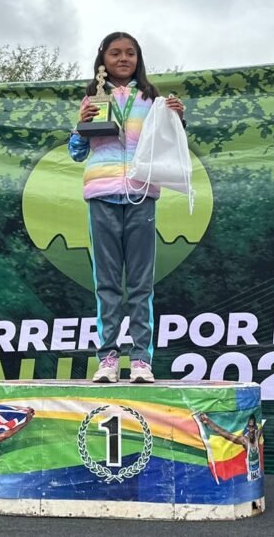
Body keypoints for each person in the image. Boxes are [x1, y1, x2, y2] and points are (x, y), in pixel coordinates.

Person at [68, 32, 184, 383]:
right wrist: (81, 124)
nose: (123, 59)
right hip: (102, 193)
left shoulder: (152, 99)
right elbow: (77, 152)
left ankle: (140, 360)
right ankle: (107, 358)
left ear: (139, 59)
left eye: (130, 53)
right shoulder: (92, 98)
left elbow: (167, 145)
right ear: (103, 58)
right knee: (106, 282)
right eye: (116, 53)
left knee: (140, 283)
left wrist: (177, 118)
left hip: (141, 194)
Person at [195, 412, 262, 482]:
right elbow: (225, 434)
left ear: (256, 428)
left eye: (253, 427)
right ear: (247, 428)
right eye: (249, 427)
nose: (251, 430)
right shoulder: (245, 441)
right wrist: (209, 422)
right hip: (249, 479)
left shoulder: (257, 436)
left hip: (258, 478)